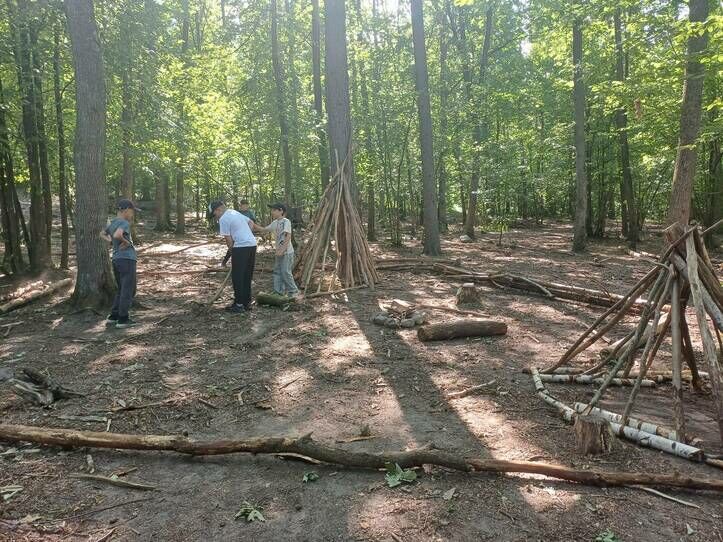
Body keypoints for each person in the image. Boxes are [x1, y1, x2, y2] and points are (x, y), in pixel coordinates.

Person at [209, 200, 257, 313]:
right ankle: (246, 303)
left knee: (238, 276)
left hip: (240, 247)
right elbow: (251, 222)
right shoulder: (234, 212)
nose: (215, 216)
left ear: (218, 210)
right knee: (247, 275)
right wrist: (247, 234)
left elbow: (228, 239)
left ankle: (239, 304)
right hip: (252, 244)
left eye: (214, 214)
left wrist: (232, 252)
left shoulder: (223, 219)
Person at [101, 199, 140, 328]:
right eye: (132, 211)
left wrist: (111, 241)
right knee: (129, 289)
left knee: (121, 288)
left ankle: (114, 316)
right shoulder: (124, 223)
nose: (132, 214)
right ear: (126, 210)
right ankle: (123, 319)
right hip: (127, 259)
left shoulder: (112, 223)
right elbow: (118, 235)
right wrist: (126, 242)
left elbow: (102, 234)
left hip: (116, 259)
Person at [258, 203, 299, 298]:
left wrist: (282, 250)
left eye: (274, 210)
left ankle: (293, 291)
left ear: (281, 211)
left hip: (287, 252)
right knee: (277, 271)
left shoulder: (286, 221)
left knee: (285, 271)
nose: (272, 212)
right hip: (279, 252)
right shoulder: (275, 223)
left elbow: (287, 236)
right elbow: (264, 229)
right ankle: (278, 291)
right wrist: (252, 224)